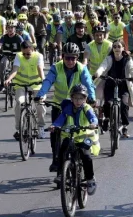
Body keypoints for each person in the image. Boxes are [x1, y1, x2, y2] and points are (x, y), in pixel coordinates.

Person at [38, 42, 97, 171]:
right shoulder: (56, 67)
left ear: (77, 58)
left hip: (76, 106)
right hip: (59, 105)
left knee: (77, 131)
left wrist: (92, 97)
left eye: (73, 58)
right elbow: (48, 81)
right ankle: (56, 160)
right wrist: (41, 94)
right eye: (67, 58)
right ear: (62, 57)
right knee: (56, 133)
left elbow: (88, 83)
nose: (70, 61)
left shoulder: (81, 68)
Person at [50, 85, 99, 194]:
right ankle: (61, 173)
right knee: (62, 151)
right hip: (70, 136)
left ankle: (90, 179)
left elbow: (93, 118)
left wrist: (93, 123)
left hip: (84, 138)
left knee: (86, 156)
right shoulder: (67, 108)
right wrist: (54, 125)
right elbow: (61, 119)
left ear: (85, 99)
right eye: (75, 98)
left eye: (81, 98)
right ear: (71, 99)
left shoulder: (87, 108)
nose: (78, 101)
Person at [93, 39, 133, 138]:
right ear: (112, 49)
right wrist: (98, 73)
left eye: (119, 46)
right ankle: (107, 119)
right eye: (115, 47)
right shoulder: (109, 58)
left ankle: (125, 126)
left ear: (123, 48)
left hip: (123, 85)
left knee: (124, 104)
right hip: (110, 84)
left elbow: (132, 68)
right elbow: (103, 66)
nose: (117, 48)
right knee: (108, 103)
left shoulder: (127, 59)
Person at [5, 39, 46, 139]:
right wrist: (9, 79)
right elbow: (15, 69)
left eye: (28, 54)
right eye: (24, 54)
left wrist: (44, 81)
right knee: (19, 102)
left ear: (33, 49)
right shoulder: (18, 56)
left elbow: (40, 69)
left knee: (40, 104)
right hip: (21, 84)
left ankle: (40, 126)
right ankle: (19, 128)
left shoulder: (38, 56)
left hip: (36, 85)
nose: (26, 56)